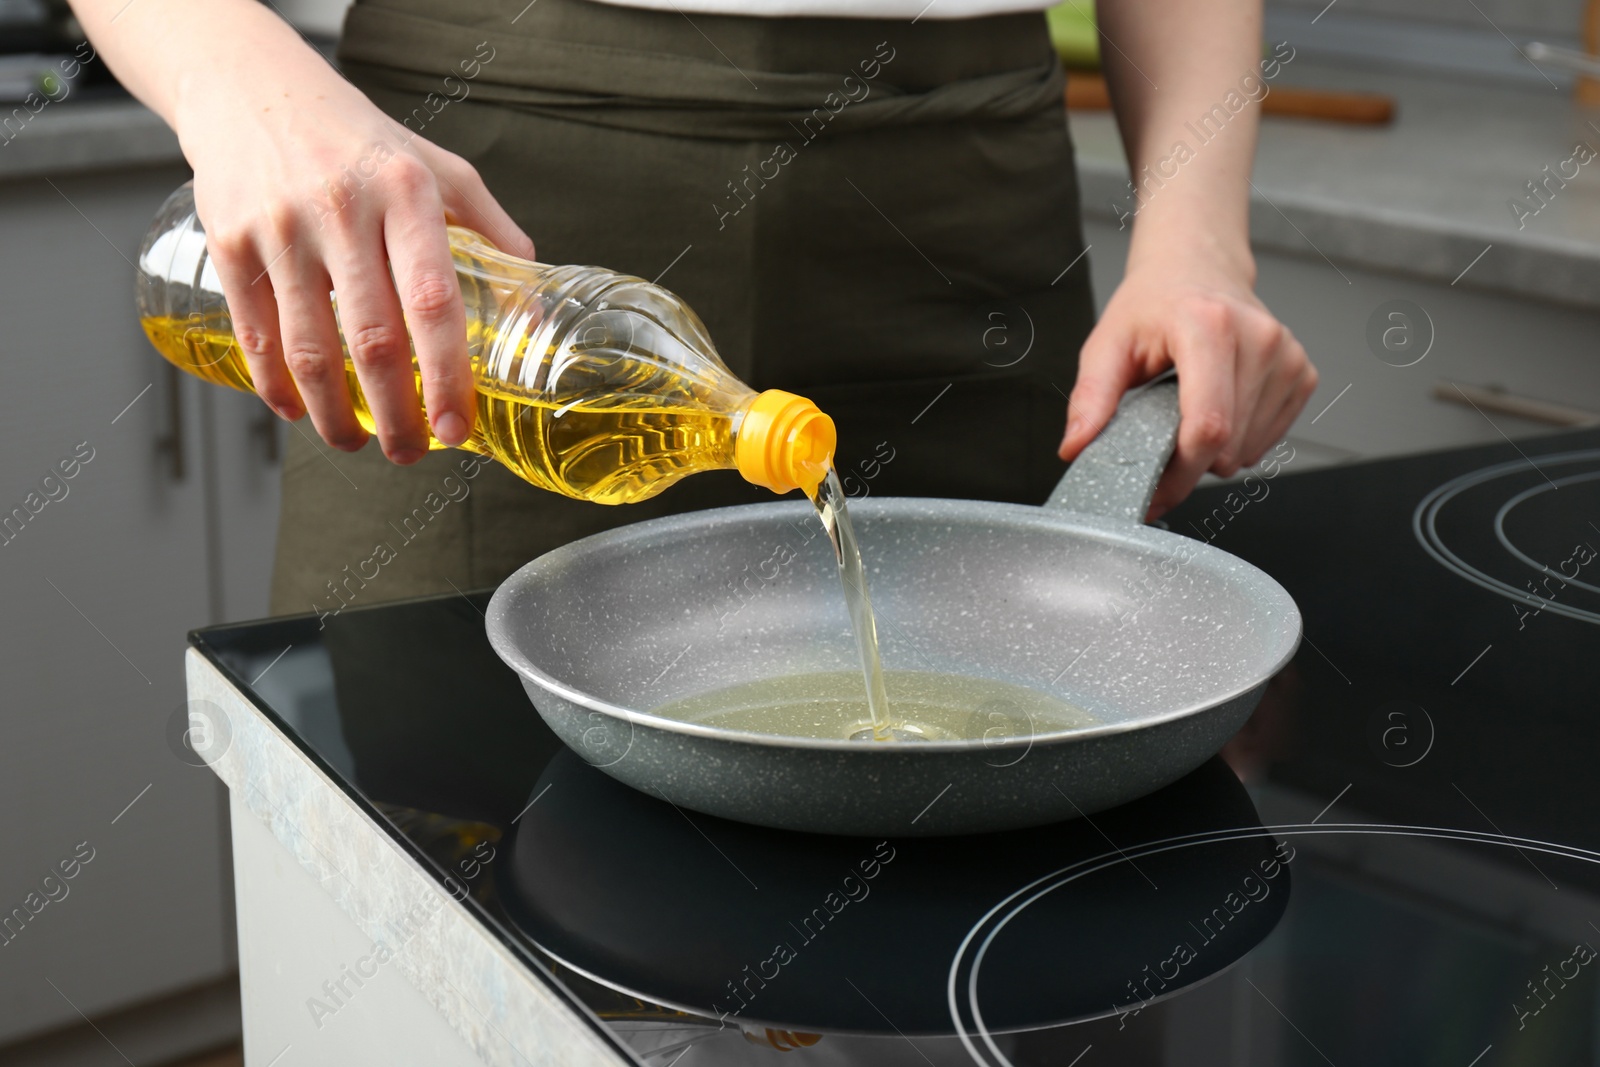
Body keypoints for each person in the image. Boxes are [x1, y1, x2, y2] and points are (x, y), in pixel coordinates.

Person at [72, 0, 1315, 617]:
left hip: (964, 208)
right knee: (425, 838)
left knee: (988, 815)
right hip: (479, 219)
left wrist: (1197, 233)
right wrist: (238, 81)